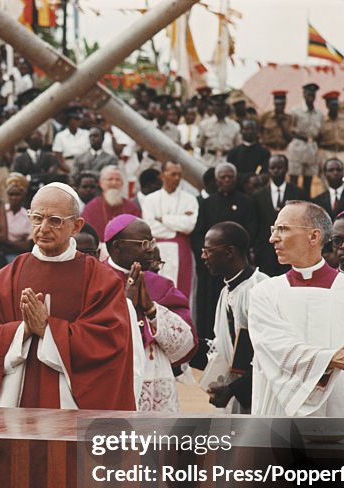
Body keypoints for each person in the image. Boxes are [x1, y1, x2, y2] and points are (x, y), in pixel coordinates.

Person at [0, 183, 142, 410]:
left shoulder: (101, 281)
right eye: (37, 218)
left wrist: (48, 329)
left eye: (55, 220)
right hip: (16, 406)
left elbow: (109, 342)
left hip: (72, 410)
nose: (43, 228)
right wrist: (23, 330)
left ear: (76, 226)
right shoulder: (5, 279)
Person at [249, 200, 344, 417]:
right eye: (273, 229)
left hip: (341, 411)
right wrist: (329, 359)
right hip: (279, 414)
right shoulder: (264, 293)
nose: (272, 238)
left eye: (283, 229)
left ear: (313, 236)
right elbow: (273, 346)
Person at [104, 214, 196, 413]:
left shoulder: (160, 285)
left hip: (154, 376)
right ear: (117, 246)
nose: (151, 249)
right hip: (112, 376)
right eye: (143, 243)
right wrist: (127, 304)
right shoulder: (96, 279)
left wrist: (151, 310)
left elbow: (187, 342)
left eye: (152, 242)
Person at [196, 221, 268, 413]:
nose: (203, 256)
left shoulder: (261, 289)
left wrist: (234, 390)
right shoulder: (226, 291)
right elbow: (223, 346)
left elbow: (268, 355)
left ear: (229, 252)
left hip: (260, 393)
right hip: (237, 394)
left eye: (208, 250)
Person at [191, 162, 258, 339]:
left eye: (230, 177)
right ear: (216, 180)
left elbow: (251, 230)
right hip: (212, 268)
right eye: (223, 177)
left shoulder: (246, 202)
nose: (227, 180)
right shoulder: (207, 204)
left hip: (236, 264)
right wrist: (206, 254)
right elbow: (198, 233)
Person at [140, 160, 198, 297]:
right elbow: (150, 228)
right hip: (156, 250)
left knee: (182, 291)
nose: (177, 178)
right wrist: (176, 224)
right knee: (156, 290)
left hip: (181, 249)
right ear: (162, 175)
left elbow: (189, 226)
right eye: (173, 174)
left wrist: (163, 219)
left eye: (179, 175)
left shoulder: (190, 199)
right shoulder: (150, 200)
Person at [252, 153, 302, 276]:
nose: (276, 171)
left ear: (286, 169)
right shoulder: (259, 195)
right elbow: (255, 224)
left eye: (280, 168)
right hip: (265, 251)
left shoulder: (298, 193)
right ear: (268, 170)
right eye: (273, 168)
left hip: (291, 250)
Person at [81, 165, 140, 243]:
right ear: (101, 183)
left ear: (122, 183)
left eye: (117, 179)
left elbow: (138, 231)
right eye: (110, 179)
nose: (114, 183)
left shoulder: (131, 207)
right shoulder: (91, 208)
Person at [287, 83, 324, 193]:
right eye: (308, 94)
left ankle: (306, 201)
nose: (310, 96)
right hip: (298, 145)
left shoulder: (319, 114)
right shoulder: (295, 111)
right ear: (303, 94)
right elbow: (290, 129)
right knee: (294, 177)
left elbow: (320, 131)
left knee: (308, 179)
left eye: (313, 94)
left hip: (311, 146)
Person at [0, 174, 34, 268]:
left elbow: (27, 246)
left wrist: (6, 242)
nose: (14, 198)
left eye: (17, 194)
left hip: (16, 255)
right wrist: (17, 242)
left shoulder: (28, 217)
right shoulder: (1, 211)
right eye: (11, 194)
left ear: (23, 196)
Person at [197, 95, 242, 168]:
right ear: (213, 107)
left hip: (227, 160)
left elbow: (238, 147)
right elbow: (200, 145)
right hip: (208, 161)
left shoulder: (235, 126)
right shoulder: (204, 124)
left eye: (222, 106)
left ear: (226, 107)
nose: (220, 109)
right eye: (217, 106)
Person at [317, 91, 344, 178]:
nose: (335, 107)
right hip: (327, 152)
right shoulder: (322, 121)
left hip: (342, 152)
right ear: (327, 105)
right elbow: (317, 139)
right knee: (327, 179)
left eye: (336, 104)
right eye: (332, 105)